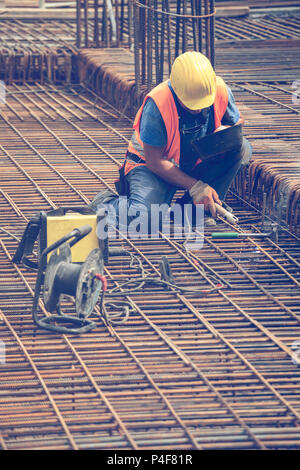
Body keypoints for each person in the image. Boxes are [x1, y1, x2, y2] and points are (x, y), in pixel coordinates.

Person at [89, 51, 252, 236]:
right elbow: (154, 161)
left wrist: (224, 134)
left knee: (241, 148)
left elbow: (236, 123)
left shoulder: (218, 89)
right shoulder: (158, 104)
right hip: (152, 167)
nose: (198, 108)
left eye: (202, 103)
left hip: (193, 160)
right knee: (145, 221)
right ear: (177, 90)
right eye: (191, 104)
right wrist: (196, 186)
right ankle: (107, 204)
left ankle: (191, 212)